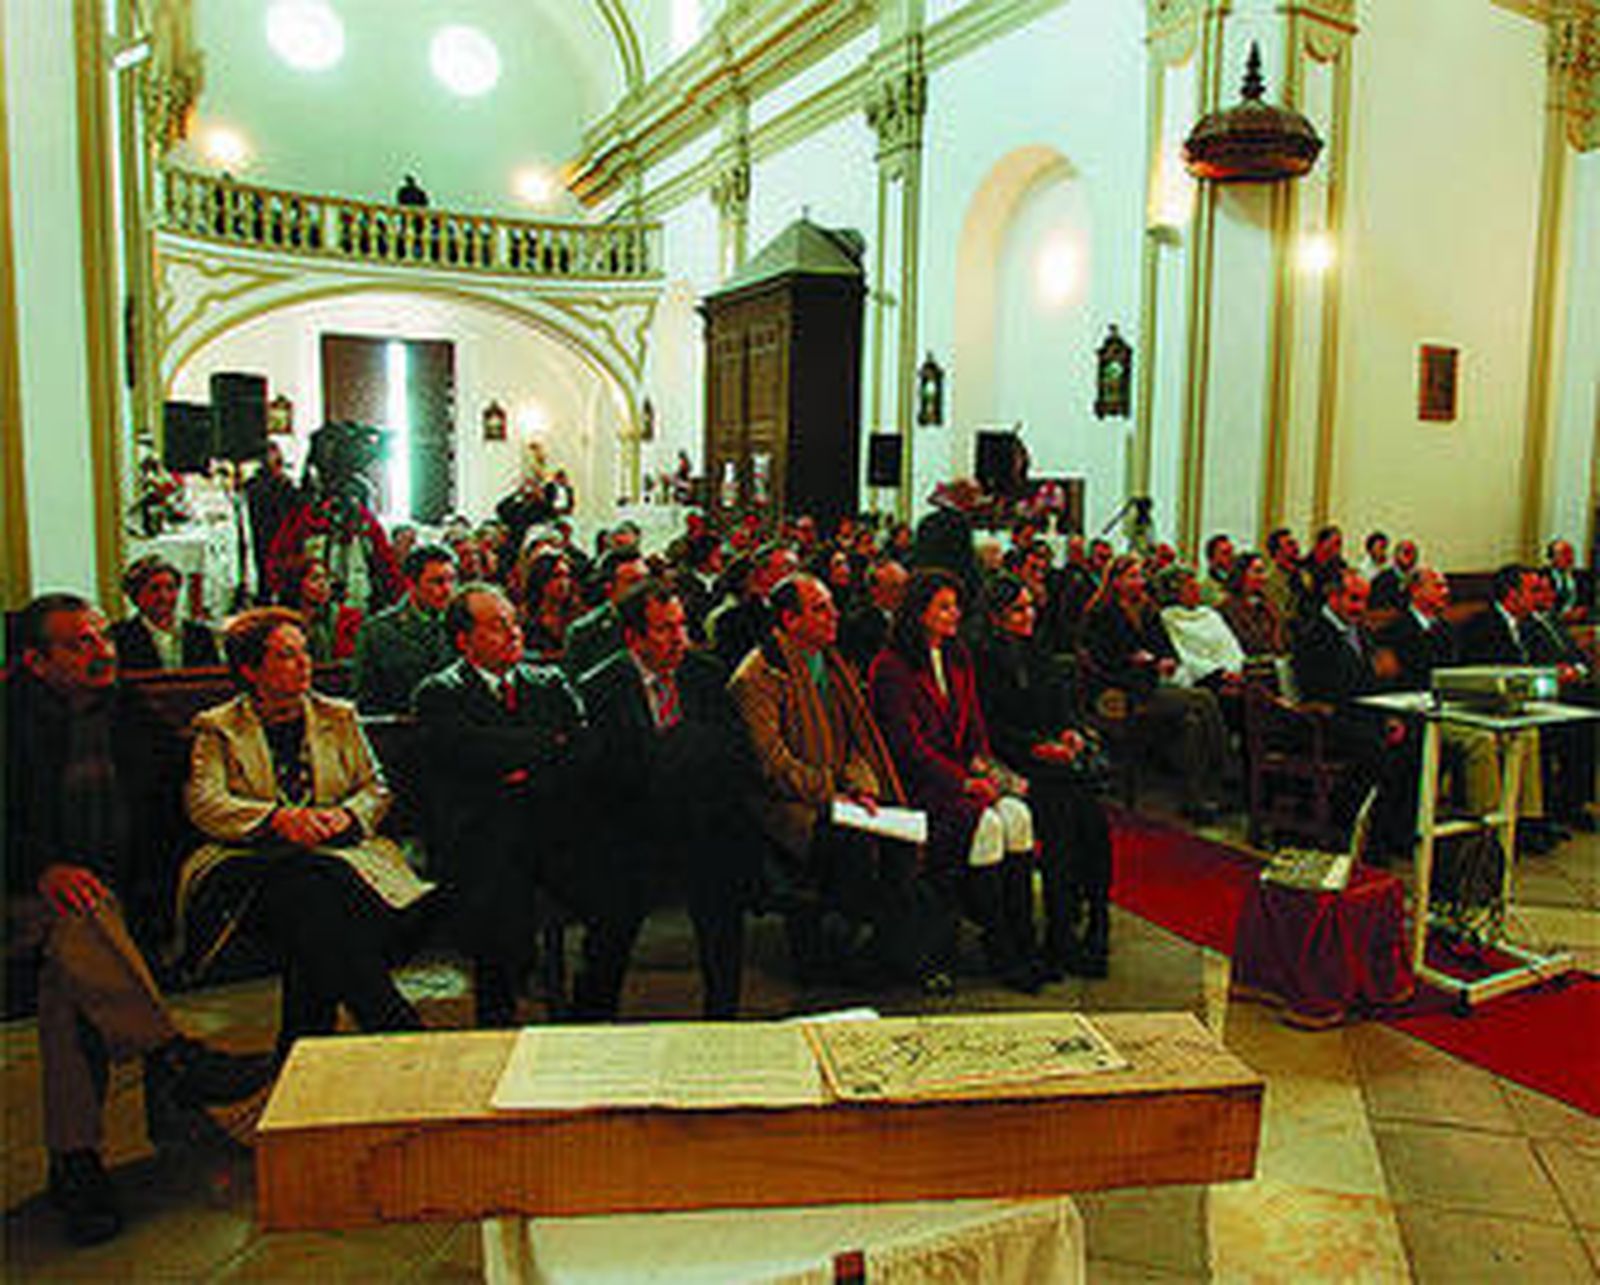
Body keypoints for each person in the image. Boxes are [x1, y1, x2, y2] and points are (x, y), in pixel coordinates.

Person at [5, 595, 273, 1246]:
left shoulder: (130, 716)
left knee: (68, 980)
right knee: (81, 913)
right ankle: (172, 1052)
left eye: (102, 636)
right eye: (78, 644)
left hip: (105, 907)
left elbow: (170, 818)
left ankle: (78, 1164)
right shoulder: (8, 723)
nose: (101, 650)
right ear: (37, 662)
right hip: (16, 893)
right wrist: (42, 869)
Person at [180, 608, 436, 1061]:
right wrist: (275, 818)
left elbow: (375, 787)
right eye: (286, 656)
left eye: (304, 653)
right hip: (251, 865)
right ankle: (391, 1023)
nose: (304, 664)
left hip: (336, 856)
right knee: (312, 893)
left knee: (314, 917)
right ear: (250, 670)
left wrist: (345, 817)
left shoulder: (336, 715)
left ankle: (300, 1047)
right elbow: (206, 802)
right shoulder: (218, 726)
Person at [730, 574, 948, 989]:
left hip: (841, 793)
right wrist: (836, 792)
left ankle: (892, 951)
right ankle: (875, 956)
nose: (834, 617)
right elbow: (773, 767)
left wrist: (861, 785)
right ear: (790, 620)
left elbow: (856, 743)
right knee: (856, 847)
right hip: (788, 805)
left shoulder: (832, 661)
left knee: (903, 838)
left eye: (831, 605)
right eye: (820, 609)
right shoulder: (756, 677)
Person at [575, 580, 762, 1018]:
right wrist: (682, 753)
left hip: (702, 823)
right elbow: (605, 774)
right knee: (609, 926)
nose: (679, 638)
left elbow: (735, 752)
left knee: (723, 887)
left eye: (681, 625)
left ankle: (723, 1020)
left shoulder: (706, 675)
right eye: (663, 629)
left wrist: (668, 754)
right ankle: (592, 1023)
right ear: (633, 638)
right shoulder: (601, 688)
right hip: (632, 830)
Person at [414, 585, 589, 1026]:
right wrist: (544, 742)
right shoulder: (440, 693)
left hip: (552, 829)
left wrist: (514, 758)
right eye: (497, 626)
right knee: (496, 893)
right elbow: (466, 752)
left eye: (513, 622)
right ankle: (499, 1017)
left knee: (613, 880)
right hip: (480, 837)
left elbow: (579, 746)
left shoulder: (547, 681)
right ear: (463, 640)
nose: (514, 633)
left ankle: (585, 1013)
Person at [869, 570, 1046, 993]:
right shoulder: (890, 667)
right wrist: (963, 783)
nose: (955, 614)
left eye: (955, 606)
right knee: (987, 825)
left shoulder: (957, 657)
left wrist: (986, 772)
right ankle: (999, 948)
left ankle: (1022, 942)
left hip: (963, 776)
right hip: (921, 787)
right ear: (918, 613)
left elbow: (975, 732)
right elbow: (906, 749)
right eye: (944, 606)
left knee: (1017, 815)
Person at [973, 575, 1115, 977]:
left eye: (1030, 606)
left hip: (1052, 759)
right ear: (998, 616)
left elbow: (1061, 704)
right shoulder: (982, 657)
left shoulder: (1038, 650)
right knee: (1060, 814)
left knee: (1093, 821)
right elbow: (990, 725)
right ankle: (1058, 931)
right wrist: (1036, 747)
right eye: (1018, 609)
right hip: (1014, 759)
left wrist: (1069, 731)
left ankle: (1095, 920)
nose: (1029, 615)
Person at [1081, 555, 1230, 820]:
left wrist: (1166, 660)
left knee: (1193, 722)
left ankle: (1196, 796)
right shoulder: (1101, 613)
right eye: (1132, 576)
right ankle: (1222, 774)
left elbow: (1165, 648)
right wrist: (1136, 661)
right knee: (1203, 699)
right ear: (1115, 581)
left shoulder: (1148, 611)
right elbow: (1102, 660)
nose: (1139, 582)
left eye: (1140, 576)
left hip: (1148, 684)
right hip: (1118, 689)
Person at [1291, 569, 1416, 855]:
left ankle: (1391, 834)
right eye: (1354, 599)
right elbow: (1321, 689)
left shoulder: (1360, 631)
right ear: (1333, 597)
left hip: (1358, 715)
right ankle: (1348, 833)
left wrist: (1389, 716)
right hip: (1323, 721)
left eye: (1364, 601)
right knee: (1375, 750)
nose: (1360, 608)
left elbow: (1376, 681)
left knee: (1410, 743)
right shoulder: (1313, 632)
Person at [352, 544, 459, 713]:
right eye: (437, 582)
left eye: (452, 580)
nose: (448, 590)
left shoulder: (465, 622)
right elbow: (366, 699)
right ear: (411, 583)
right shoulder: (379, 631)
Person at [108, 554, 221, 670]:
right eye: (154, 589)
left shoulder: (200, 636)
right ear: (136, 596)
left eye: (170, 588)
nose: (164, 596)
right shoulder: (120, 637)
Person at [706, 541, 800, 673]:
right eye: (787, 568)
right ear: (762, 573)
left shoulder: (802, 610)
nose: (796, 575)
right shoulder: (732, 621)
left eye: (797, 568)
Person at [563, 547, 649, 678]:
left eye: (645, 580)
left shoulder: (662, 623)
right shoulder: (585, 632)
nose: (643, 588)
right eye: (633, 582)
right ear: (610, 588)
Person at [280, 555, 361, 662]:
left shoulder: (348, 618)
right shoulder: (283, 621)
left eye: (326, 578)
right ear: (297, 583)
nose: (323, 584)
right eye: (314, 579)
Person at [839, 557, 908, 675]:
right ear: (875, 590)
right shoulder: (858, 625)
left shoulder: (911, 617)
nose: (903, 592)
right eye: (895, 586)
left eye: (906, 585)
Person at [1221, 552, 1287, 658]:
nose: (1264, 577)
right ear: (1242, 574)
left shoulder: (1268, 603)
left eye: (1264, 572)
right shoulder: (1229, 607)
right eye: (1258, 572)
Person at [519, 548, 582, 658]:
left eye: (567, 576)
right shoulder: (526, 618)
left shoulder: (577, 614)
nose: (563, 583)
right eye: (556, 576)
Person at [1369, 539, 1420, 611]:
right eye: (1406, 552)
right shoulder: (1381, 580)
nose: (1409, 556)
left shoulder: (1419, 580)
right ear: (1395, 555)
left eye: (1413, 553)